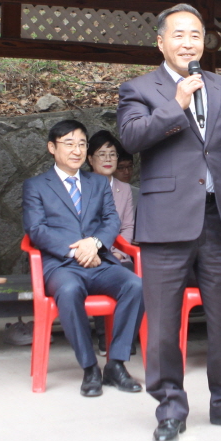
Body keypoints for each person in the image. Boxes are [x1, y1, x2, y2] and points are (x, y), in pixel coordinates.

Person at [117, 3, 221, 441]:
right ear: (161, 42)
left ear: (206, 41)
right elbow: (131, 137)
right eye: (179, 35)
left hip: (217, 219)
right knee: (163, 323)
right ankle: (169, 409)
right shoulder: (139, 87)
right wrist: (176, 106)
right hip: (166, 222)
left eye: (196, 35)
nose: (188, 43)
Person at [22, 120, 144, 398]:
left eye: (81, 143)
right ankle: (90, 367)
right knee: (69, 290)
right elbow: (36, 230)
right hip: (61, 265)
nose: (76, 150)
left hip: (99, 262)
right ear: (52, 148)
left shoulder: (98, 183)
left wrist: (95, 243)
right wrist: (75, 250)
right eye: (69, 143)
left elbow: (111, 220)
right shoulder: (36, 186)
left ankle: (116, 363)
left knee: (136, 285)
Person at [86, 130, 136, 257]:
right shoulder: (80, 185)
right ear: (90, 159)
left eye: (112, 154)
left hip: (118, 256)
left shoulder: (124, 189)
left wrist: (119, 254)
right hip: (87, 255)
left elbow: (127, 227)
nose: (108, 159)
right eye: (102, 154)